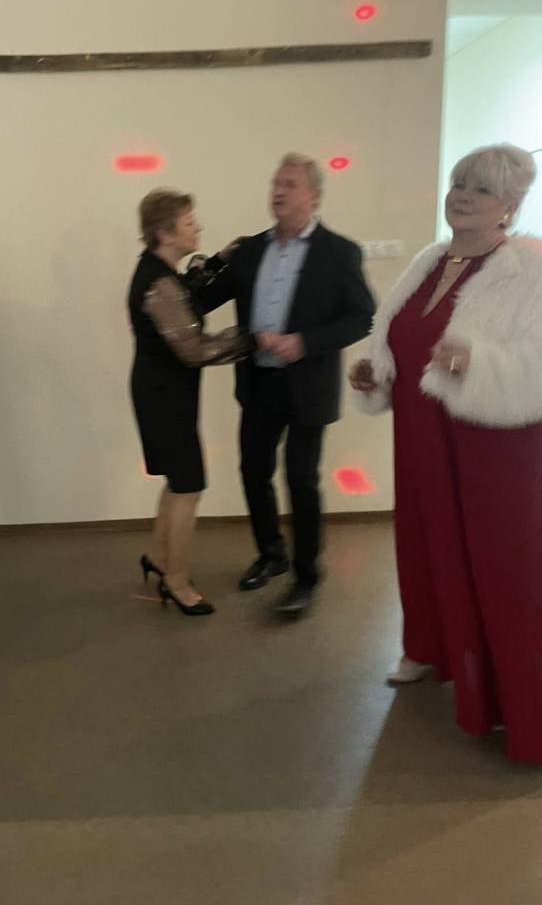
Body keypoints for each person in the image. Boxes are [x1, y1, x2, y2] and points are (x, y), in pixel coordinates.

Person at [349, 143, 542, 762]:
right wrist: (375, 371)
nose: (463, 197)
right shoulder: (429, 262)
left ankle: (517, 703)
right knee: (424, 539)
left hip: (491, 445)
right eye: (460, 183)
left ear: (509, 205)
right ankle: (430, 647)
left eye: (482, 189)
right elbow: (396, 341)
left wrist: (475, 362)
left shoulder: (528, 267)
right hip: (422, 434)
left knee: (501, 564)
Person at [194, 153, 375, 614]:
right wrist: (213, 261)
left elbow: (361, 317)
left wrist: (305, 342)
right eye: (275, 183)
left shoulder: (340, 252)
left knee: (301, 479)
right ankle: (271, 555)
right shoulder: (250, 250)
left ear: (314, 196)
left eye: (289, 184)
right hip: (258, 382)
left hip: (308, 385)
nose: (278, 191)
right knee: (254, 472)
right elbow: (200, 301)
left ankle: (306, 576)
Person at [128, 189, 267, 616]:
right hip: (165, 397)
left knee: (178, 482)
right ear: (165, 233)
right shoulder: (158, 284)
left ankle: (158, 556)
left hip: (162, 392)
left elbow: (185, 294)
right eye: (189, 222)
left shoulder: (159, 272)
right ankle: (176, 581)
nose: (197, 228)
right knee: (189, 487)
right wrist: (252, 340)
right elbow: (193, 349)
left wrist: (219, 260)